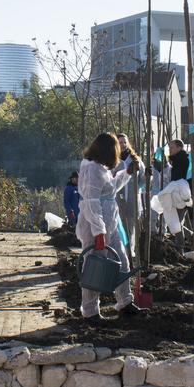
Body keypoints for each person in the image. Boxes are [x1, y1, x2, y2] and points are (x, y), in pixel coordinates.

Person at [75, 132, 142, 319]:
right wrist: (99, 232)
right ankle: (90, 311)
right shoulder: (91, 169)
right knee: (95, 268)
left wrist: (126, 174)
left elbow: (109, 190)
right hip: (96, 226)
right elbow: (91, 201)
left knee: (122, 261)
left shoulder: (100, 167)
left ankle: (125, 302)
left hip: (109, 223)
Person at [115, 133, 141, 258]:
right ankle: (119, 253)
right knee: (118, 227)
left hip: (132, 198)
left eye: (125, 142)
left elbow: (142, 180)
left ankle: (130, 252)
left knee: (131, 227)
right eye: (120, 142)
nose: (123, 145)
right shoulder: (113, 160)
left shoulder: (135, 159)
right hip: (116, 199)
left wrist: (147, 175)